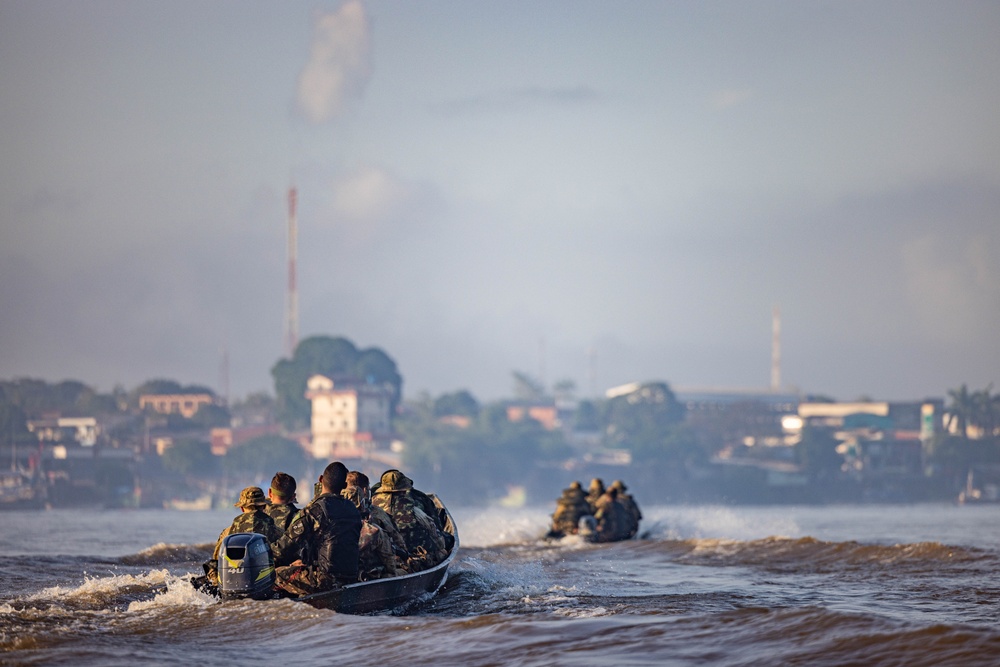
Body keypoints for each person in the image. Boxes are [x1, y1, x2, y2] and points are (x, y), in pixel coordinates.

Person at [271, 461, 362, 595]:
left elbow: (284, 547)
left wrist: (261, 556)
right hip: (351, 577)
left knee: (274, 575)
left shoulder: (315, 510)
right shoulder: (353, 509)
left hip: (325, 580)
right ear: (343, 486)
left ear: (320, 480)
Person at [371, 469, 448, 572]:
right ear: (405, 488)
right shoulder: (417, 501)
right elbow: (435, 528)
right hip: (413, 553)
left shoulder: (372, 501)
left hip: (382, 553)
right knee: (444, 547)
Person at [203, 486, 282, 585]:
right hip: (263, 579)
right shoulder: (275, 529)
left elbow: (217, 557)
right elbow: (282, 553)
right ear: (264, 506)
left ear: (241, 508)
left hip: (233, 579)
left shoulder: (227, 532)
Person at [341, 471, 405, 581]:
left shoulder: (334, 511)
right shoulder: (378, 514)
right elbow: (397, 542)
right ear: (365, 491)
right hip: (370, 574)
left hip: (338, 573)